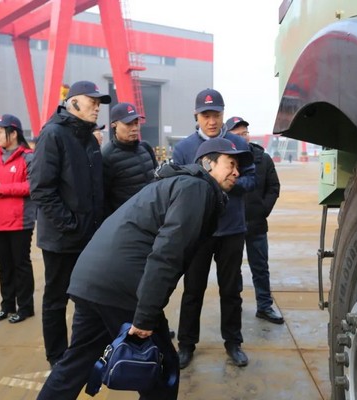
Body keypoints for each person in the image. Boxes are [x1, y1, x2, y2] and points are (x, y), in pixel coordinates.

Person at [36, 137, 253, 400]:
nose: (237, 172)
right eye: (231, 164)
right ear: (208, 163)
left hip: (91, 281)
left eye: (239, 167)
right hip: (121, 287)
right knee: (163, 373)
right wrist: (145, 316)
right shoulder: (197, 188)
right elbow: (168, 253)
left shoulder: (178, 183)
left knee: (75, 364)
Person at [172, 89, 256, 369]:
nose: (211, 121)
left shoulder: (237, 144)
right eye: (205, 115)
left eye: (216, 115)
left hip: (232, 229)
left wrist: (229, 183)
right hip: (199, 231)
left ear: (222, 114)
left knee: (231, 290)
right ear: (196, 116)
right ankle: (186, 344)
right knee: (192, 289)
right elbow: (176, 187)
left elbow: (251, 180)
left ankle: (233, 342)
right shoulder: (184, 149)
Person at [29, 80, 110, 367]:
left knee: (89, 299)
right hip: (62, 238)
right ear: (73, 102)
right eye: (92, 101)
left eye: (99, 103)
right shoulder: (53, 134)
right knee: (56, 299)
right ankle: (57, 356)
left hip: (89, 235)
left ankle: (83, 351)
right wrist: (71, 224)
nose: (97, 107)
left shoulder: (88, 137)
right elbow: (41, 189)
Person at [226, 116, 283, 324]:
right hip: (232, 225)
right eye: (237, 134)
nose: (243, 137)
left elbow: (274, 187)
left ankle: (264, 306)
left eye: (245, 133)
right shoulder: (224, 160)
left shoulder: (262, 159)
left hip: (256, 224)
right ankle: (235, 306)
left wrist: (262, 210)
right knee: (232, 270)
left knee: (260, 267)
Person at [0, 114, 37, 324]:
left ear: (13, 134)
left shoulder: (28, 157)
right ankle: (7, 305)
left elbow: (31, 186)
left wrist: (1, 188)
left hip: (20, 221)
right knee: (4, 266)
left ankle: (25, 307)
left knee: (21, 264)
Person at [102, 102, 158, 217]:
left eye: (136, 123)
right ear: (114, 125)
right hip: (126, 220)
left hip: (153, 216)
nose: (134, 128)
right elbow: (103, 198)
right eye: (128, 124)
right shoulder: (107, 156)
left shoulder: (146, 148)